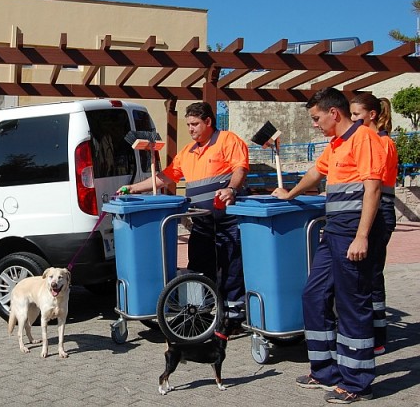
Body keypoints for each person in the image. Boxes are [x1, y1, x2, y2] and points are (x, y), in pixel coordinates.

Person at [272, 88, 385, 403]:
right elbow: (314, 173)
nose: (315, 125)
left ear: (334, 113)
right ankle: (324, 371)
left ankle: (357, 382)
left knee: (352, 304)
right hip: (334, 231)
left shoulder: (364, 139)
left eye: (316, 118)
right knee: (313, 294)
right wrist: (290, 194)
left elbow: (373, 189)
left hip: (353, 232)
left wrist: (362, 235)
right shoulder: (336, 144)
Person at [120, 101, 249, 327]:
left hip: (227, 220)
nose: (190, 129)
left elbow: (240, 168)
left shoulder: (228, 140)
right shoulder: (187, 152)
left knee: (232, 266)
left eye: (195, 124)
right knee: (199, 265)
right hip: (201, 222)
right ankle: (202, 310)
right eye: (188, 124)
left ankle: (234, 315)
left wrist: (231, 188)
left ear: (208, 121)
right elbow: (165, 177)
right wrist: (134, 188)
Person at [350, 93, 397, 357]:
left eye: (357, 115)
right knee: (370, 274)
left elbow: (373, 185)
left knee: (372, 276)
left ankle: (377, 336)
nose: (353, 119)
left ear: (372, 115)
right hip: (377, 210)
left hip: (381, 210)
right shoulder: (372, 140)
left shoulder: (380, 142)